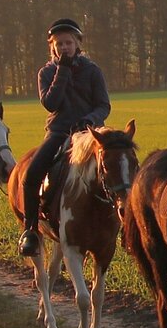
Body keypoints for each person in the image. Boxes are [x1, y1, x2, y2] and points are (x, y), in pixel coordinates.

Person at [18, 17, 112, 256]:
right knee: (30, 175)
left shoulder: (92, 70)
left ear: (77, 43)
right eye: (59, 44)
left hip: (89, 133)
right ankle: (30, 229)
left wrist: (90, 120)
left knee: (119, 167)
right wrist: (63, 70)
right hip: (59, 132)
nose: (64, 47)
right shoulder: (47, 72)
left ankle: (123, 224)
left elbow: (103, 105)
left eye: (68, 43)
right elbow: (51, 103)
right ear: (52, 47)